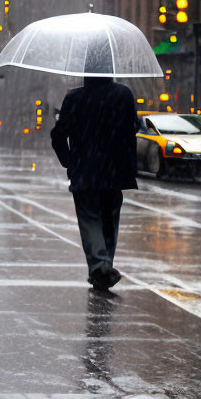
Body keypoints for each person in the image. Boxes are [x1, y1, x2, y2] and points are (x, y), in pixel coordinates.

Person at [50, 76, 138, 291]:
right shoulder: (123, 94)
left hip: (85, 169)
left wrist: (69, 162)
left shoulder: (74, 97)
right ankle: (105, 263)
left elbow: (59, 134)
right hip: (114, 169)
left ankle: (99, 266)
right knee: (110, 219)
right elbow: (132, 127)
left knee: (90, 219)